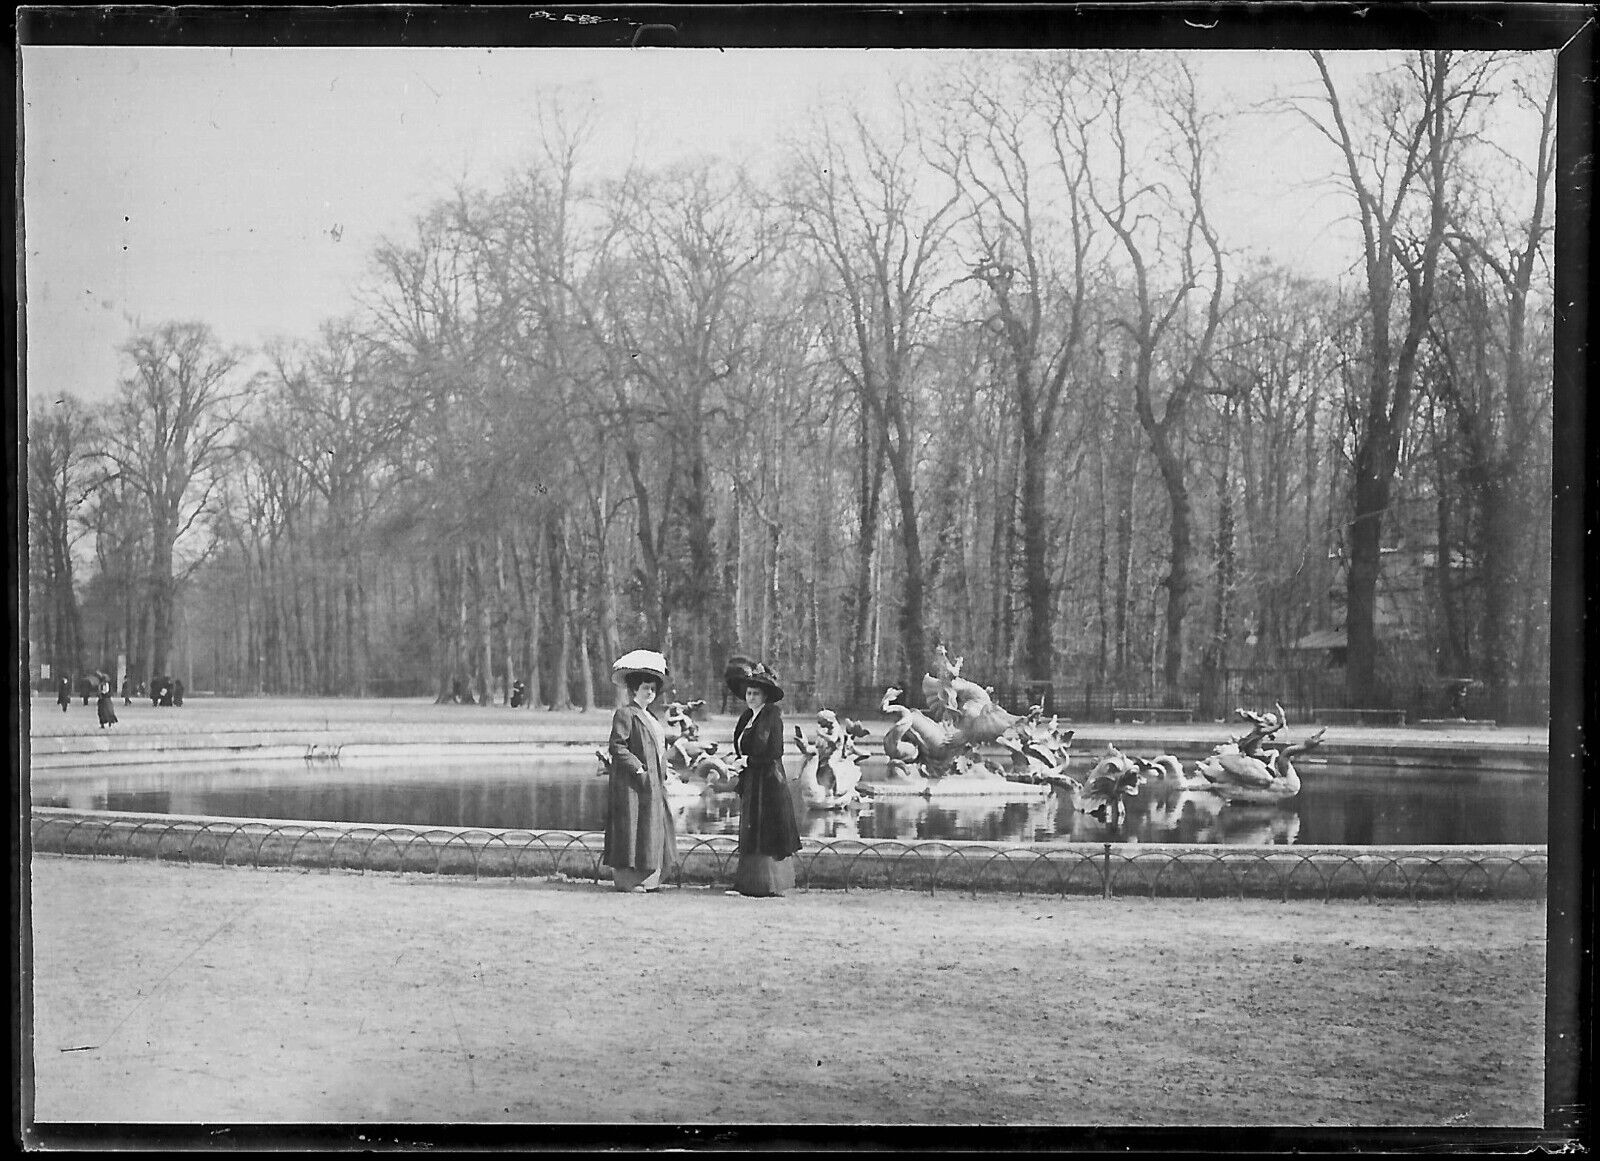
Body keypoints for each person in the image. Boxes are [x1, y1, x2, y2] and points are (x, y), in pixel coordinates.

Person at [727, 661, 803, 898]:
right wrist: (738, 760)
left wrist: (747, 762)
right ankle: (750, 883)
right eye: (748, 693)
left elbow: (773, 752)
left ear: (765, 696)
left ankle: (769, 884)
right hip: (753, 781)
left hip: (769, 783)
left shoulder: (771, 716)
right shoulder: (747, 716)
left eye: (756, 693)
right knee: (753, 828)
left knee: (767, 829)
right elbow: (743, 746)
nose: (750, 697)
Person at [603, 650, 677, 894]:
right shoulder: (626, 713)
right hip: (632, 785)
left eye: (653, 689)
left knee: (652, 829)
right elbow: (617, 746)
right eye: (645, 688)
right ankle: (630, 880)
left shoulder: (651, 717)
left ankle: (651, 879)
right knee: (633, 829)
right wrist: (639, 769)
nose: (650, 693)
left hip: (653, 783)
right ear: (634, 690)